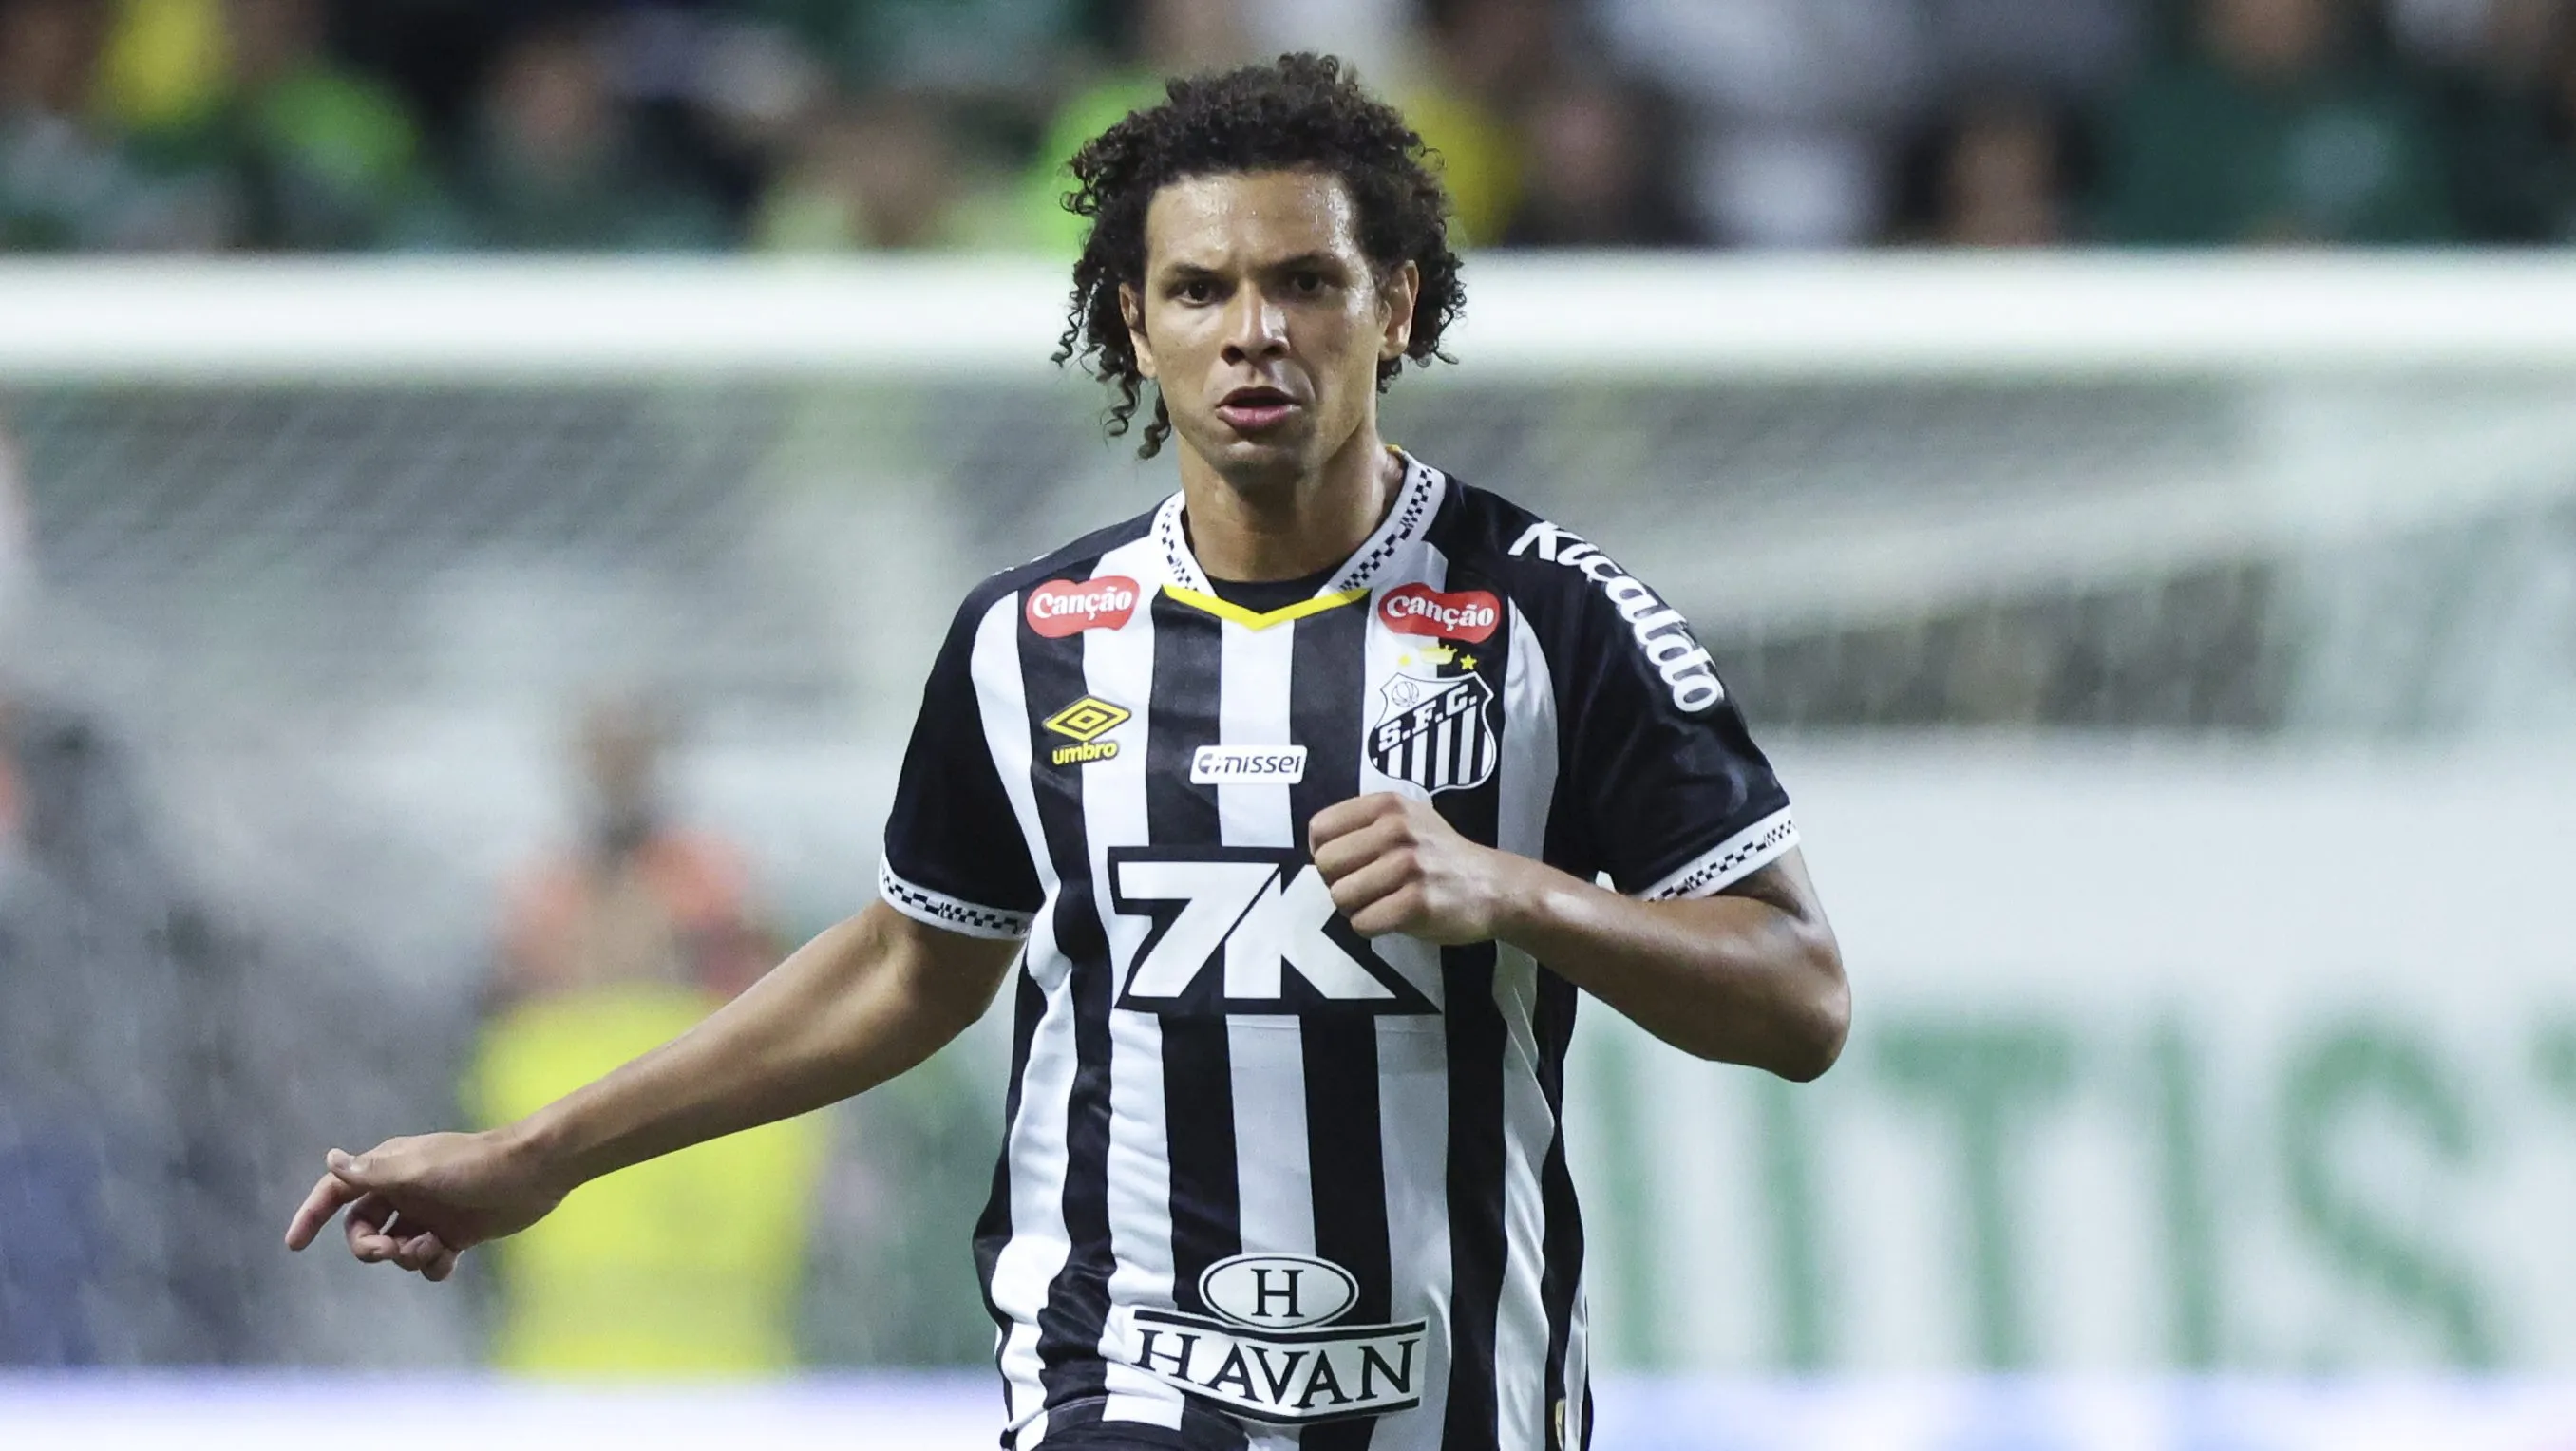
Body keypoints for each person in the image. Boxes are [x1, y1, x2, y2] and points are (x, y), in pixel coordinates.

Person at [286, 54, 1849, 1448]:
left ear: (1403, 306)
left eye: (1308, 282)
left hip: (1455, 1397)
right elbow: (911, 968)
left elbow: (1800, 993)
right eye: (1200, 291)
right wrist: (541, 1152)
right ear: (1133, 321)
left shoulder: (1557, 620)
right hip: (1121, 1374)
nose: (1255, 334)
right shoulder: (1030, 641)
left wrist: (1518, 893)